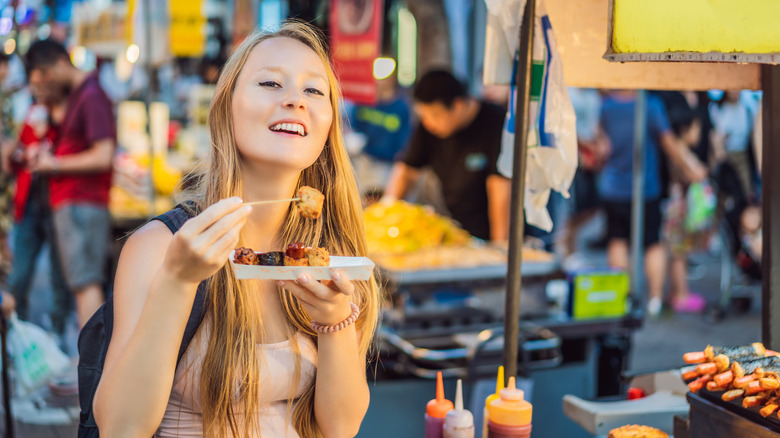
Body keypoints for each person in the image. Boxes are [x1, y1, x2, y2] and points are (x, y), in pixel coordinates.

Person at [92, 22, 380, 437]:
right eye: (270, 83)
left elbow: (341, 427)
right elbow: (120, 428)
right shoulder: (160, 247)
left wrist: (335, 323)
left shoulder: (330, 251)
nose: (296, 101)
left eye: (314, 91)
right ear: (226, 106)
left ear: (329, 123)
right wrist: (176, 280)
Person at [24, 39, 115, 329]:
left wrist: (55, 164)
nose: (46, 85)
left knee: (85, 284)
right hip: (74, 204)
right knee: (82, 283)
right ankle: (92, 361)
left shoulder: (90, 95)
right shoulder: (80, 95)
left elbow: (104, 155)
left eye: (46, 77)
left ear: (62, 63)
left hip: (82, 203)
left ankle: (93, 364)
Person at [598, 90, 706, 317]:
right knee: (652, 243)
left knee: (617, 241)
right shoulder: (650, 105)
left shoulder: (607, 107)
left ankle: (621, 298)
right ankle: (654, 299)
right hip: (646, 187)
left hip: (614, 186)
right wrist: (689, 169)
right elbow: (667, 142)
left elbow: (601, 144)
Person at [383, 69, 510, 242]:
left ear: (458, 105)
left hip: (497, 231)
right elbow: (406, 170)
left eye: (435, 115)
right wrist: (384, 214)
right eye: (424, 116)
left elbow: (501, 189)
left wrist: (500, 246)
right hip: (461, 232)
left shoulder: (496, 122)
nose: (428, 123)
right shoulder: (429, 126)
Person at [5, 101, 74, 334]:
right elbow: (15, 157)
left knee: (59, 275)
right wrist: (24, 152)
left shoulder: (67, 117)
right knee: (19, 274)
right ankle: (17, 328)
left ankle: (58, 328)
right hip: (28, 207)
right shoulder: (29, 115)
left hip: (58, 207)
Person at [345, 71, 412, 201]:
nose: (380, 81)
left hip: (387, 167)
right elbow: (353, 127)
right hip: (362, 163)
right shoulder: (364, 102)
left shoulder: (401, 107)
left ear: (393, 79)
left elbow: (405, 140)